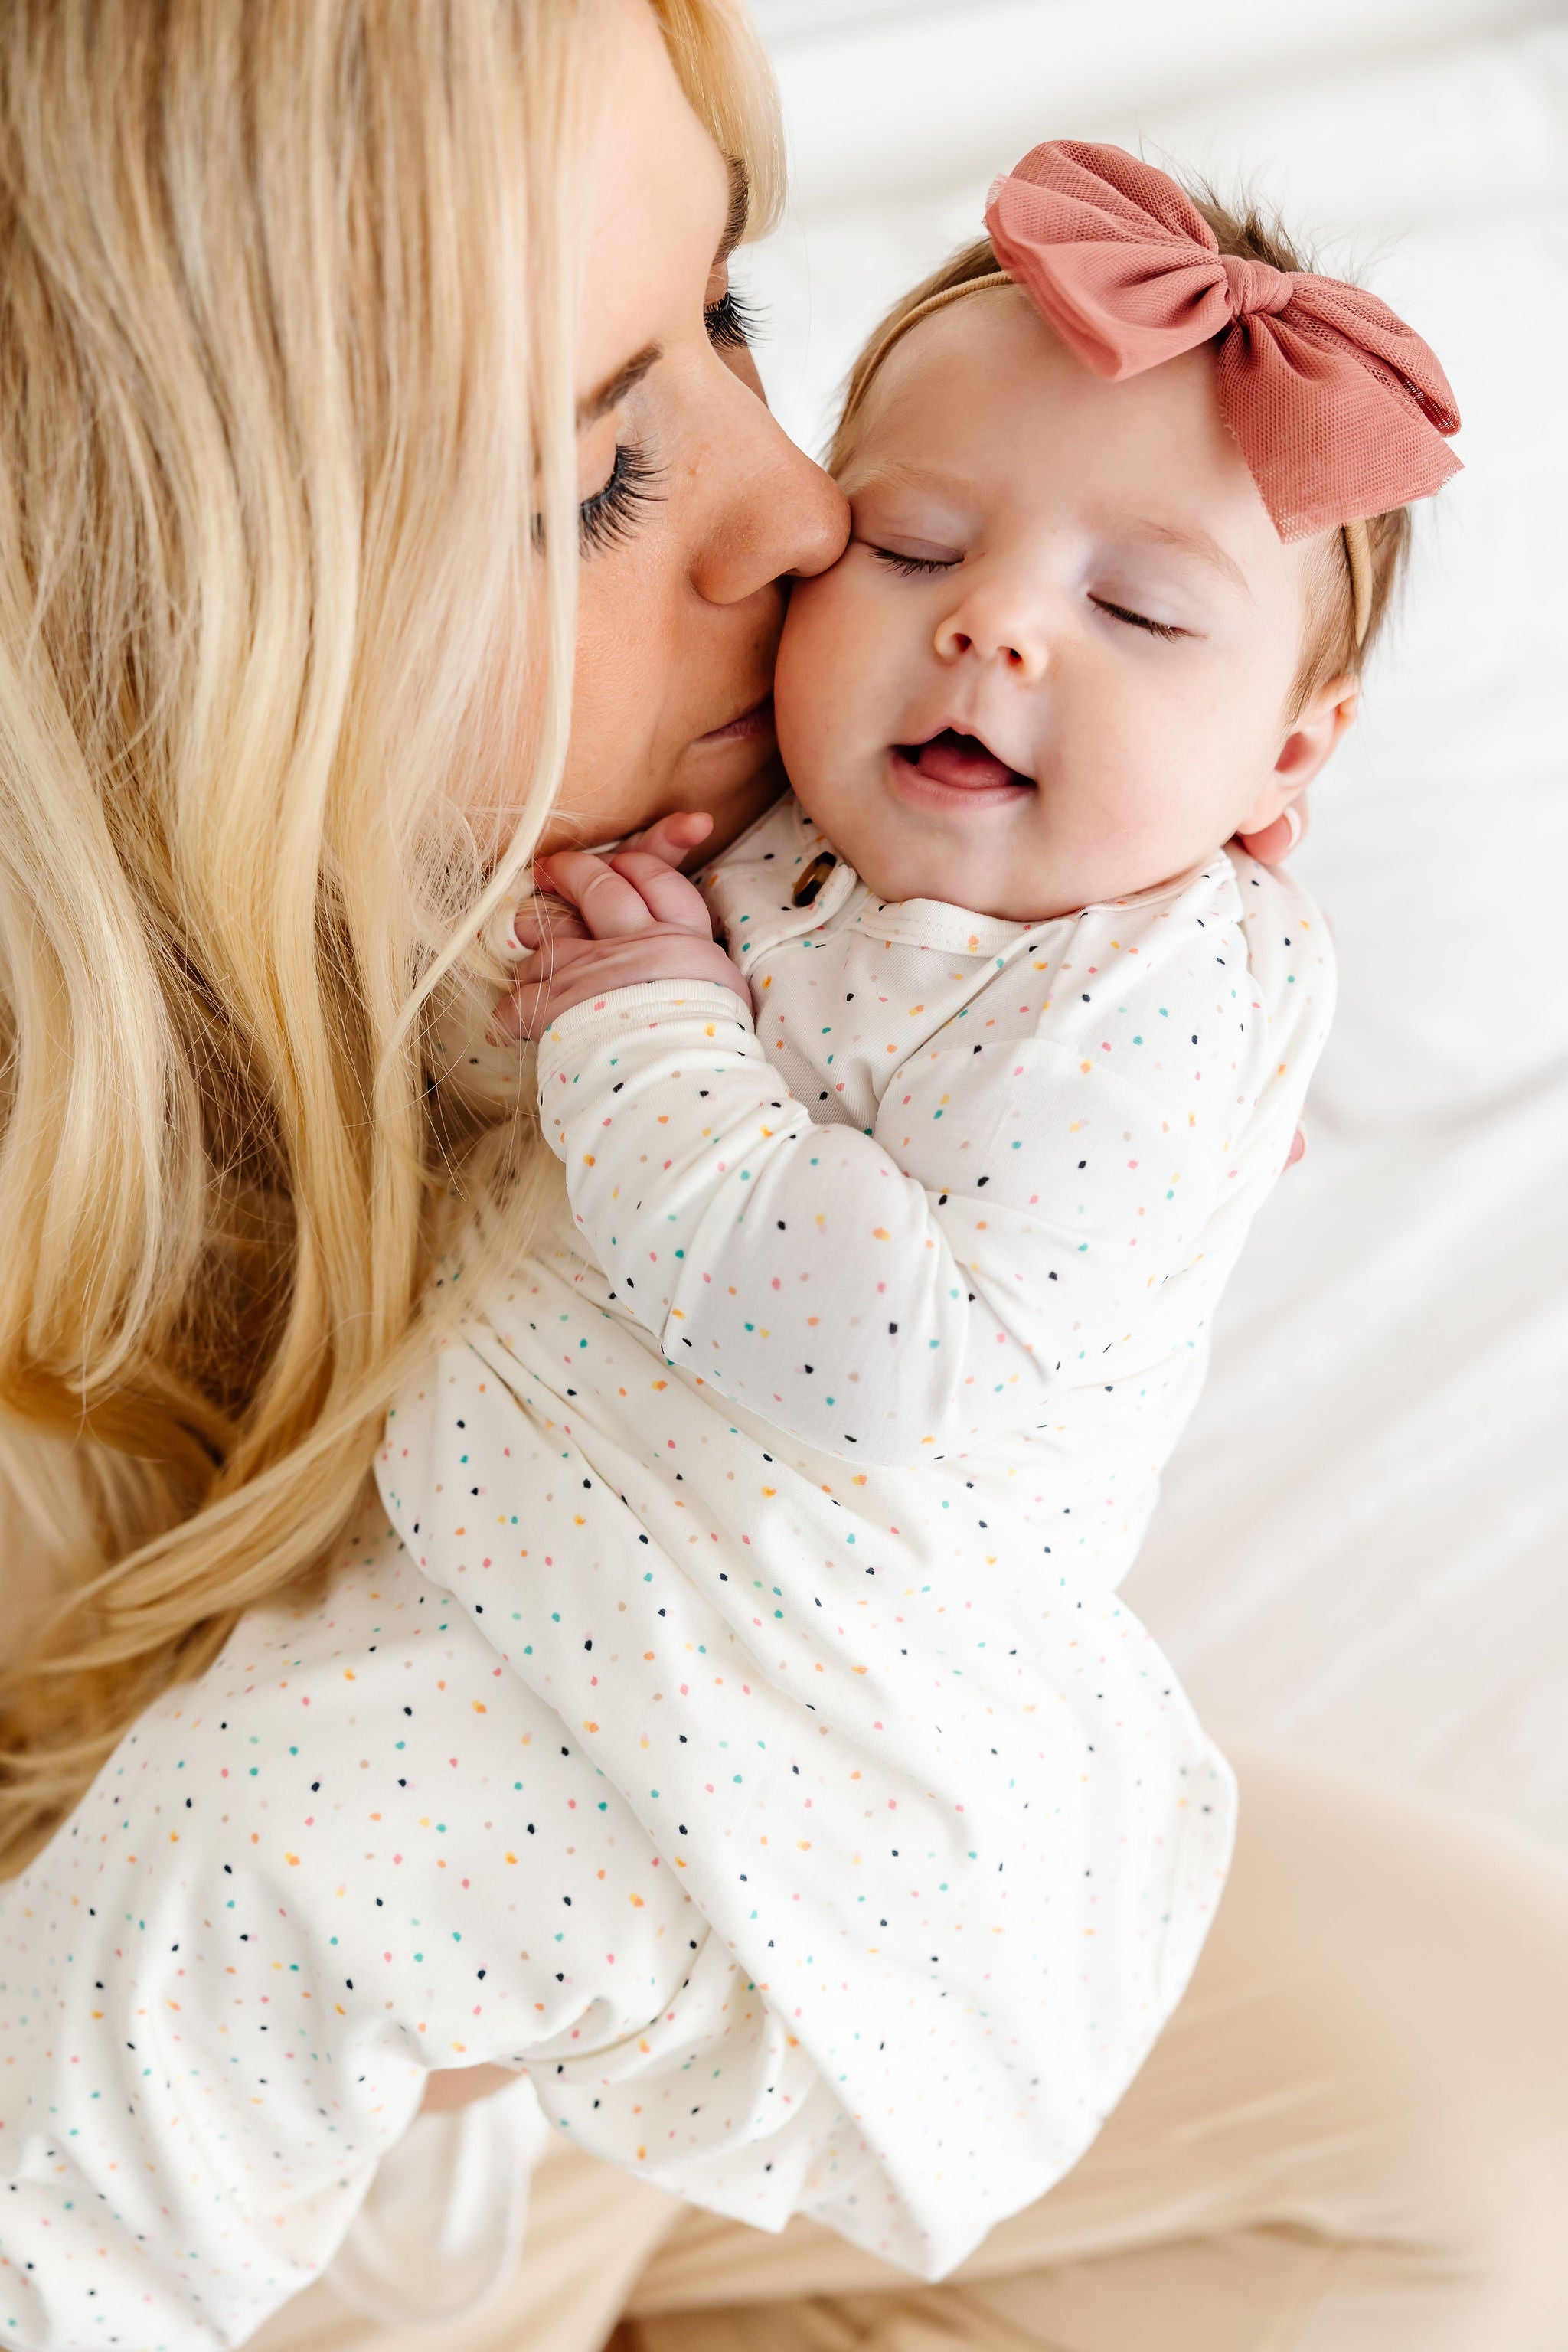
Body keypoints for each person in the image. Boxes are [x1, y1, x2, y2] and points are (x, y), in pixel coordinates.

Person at [0, 7, 1563, 2350]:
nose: (813, 518)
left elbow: (957, 1292)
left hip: (760, 1866)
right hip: (314, 2093)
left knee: (1499, 2142)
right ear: (180, 595)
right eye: (608, 472)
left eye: (731, 315)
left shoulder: (847, 858)